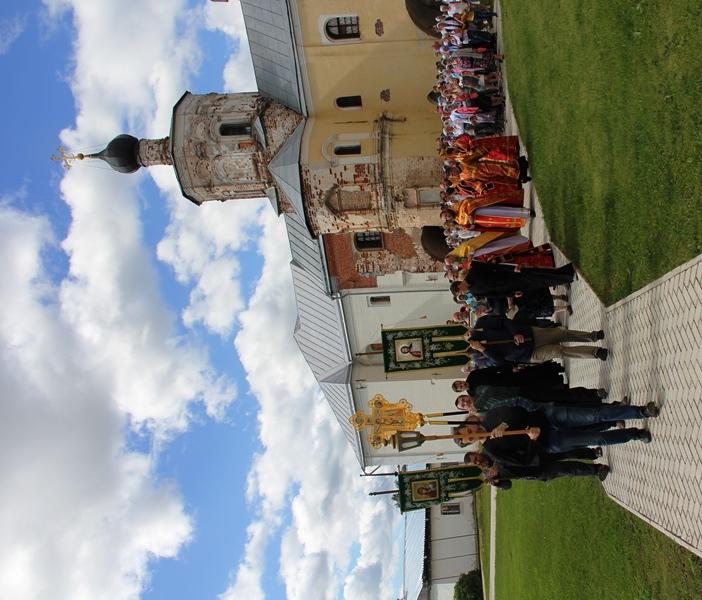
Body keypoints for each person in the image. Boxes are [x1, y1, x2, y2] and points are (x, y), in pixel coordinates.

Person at [466, 313, 608, 363]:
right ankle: (595, 353)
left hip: (529, 334)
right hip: (527, 354)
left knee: (561, 334)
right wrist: (483, 350)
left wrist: (515, 333)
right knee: (559, 351)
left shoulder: (480, 325)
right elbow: (500, 362)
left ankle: (592, 336)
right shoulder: (477, 356)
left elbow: (503, 320)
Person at [464, 450, 609, 486]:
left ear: (476, 453)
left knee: (565, 453)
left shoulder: (489, 450)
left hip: (534, 456)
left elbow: (504, 454)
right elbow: (507, 485)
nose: (478, 461)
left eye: (475, 458)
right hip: (535, 472)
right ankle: (597, 469)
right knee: (566, 469)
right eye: (475, 463)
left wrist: (497, 467)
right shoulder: (488, 474)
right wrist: (497, 483)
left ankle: (592, 453)